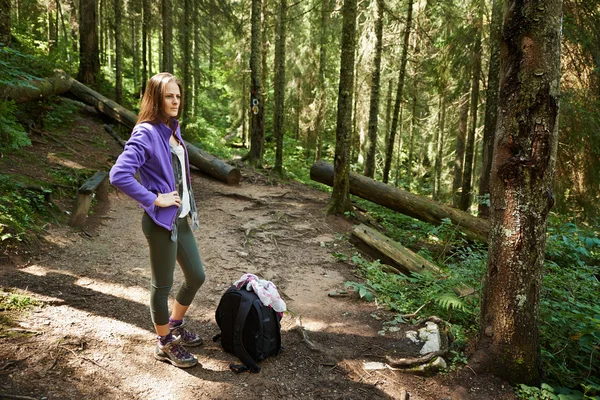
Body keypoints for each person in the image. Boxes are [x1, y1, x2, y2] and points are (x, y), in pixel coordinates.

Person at [109, 72, 205, 368]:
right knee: (162, 286)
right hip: (161, 223)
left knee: (196, 276)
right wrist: (154, 198)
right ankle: (164, 343)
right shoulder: (146, 132)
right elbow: (119, 175)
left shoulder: (172, 129)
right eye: (168, 96)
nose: (175, 101)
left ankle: (174, 324)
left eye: (178, 96)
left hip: (181, 220)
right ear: (156, 98)